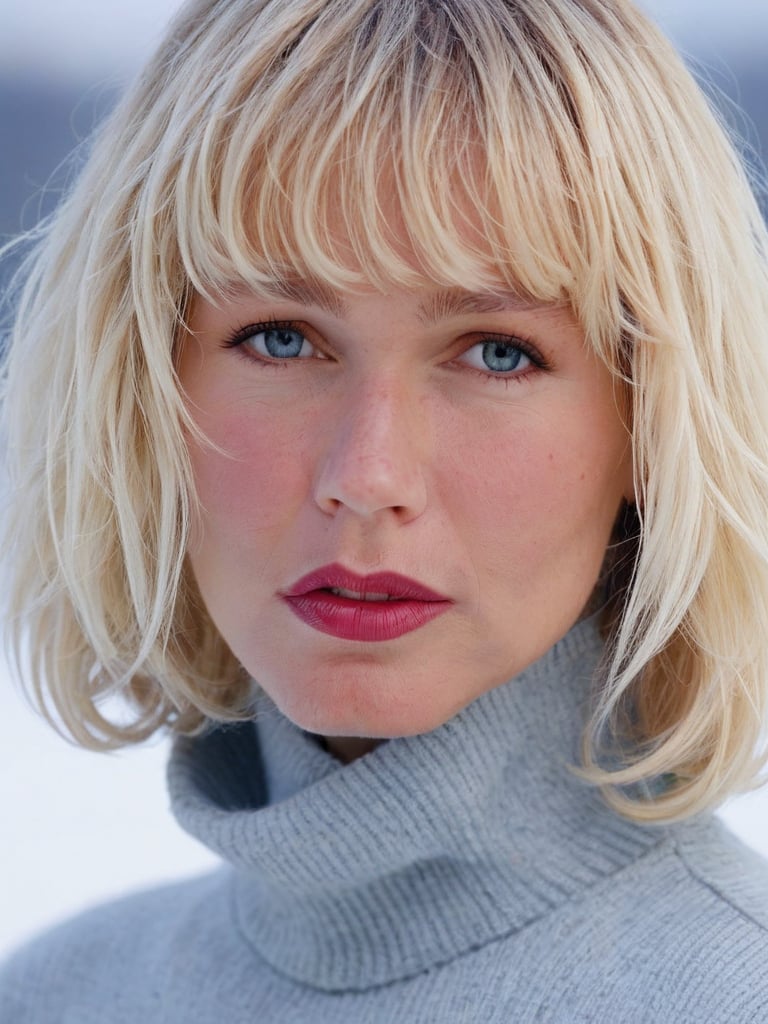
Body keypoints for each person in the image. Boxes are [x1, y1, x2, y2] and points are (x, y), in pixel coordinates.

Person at [2, 0, 768, 1020]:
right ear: (142, 391)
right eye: (280, 337)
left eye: (497, 351)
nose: (368, 474)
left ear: (651, 423)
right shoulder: (62, 992)